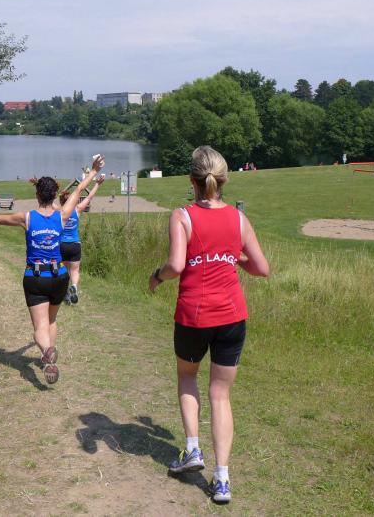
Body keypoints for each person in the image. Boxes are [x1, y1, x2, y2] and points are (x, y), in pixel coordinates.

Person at [148, 146, 269, 503]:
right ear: (223, 180)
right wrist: (235, 257)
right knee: (221, 394)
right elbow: (262, 268)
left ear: (192, 181)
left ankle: (192, 449)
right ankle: (222, 479)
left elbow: (176, 265)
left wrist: (156, 276)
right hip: (232, 317)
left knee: (187, 376)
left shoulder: (182, 216)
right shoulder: (239, 219)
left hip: (194, 316)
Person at [0, 156, 106, 385]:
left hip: (36, 278)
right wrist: (94, 171)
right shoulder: (62, 215)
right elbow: (79, 190)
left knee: (39, 328)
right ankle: (48, 359)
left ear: (37, 195)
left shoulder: (27, 217)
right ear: (55, 195)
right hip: (59, 276)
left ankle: (47, 352)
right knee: (51, 321)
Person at [59, 174, 105, 304]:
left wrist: (37, 185)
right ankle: (74, 286)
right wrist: (98, 184)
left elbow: (48, 203)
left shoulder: (59, 212)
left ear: (61, 202)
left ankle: (66, 294)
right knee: (75, 270)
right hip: (75, 244)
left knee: (65, 270)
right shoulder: (77, 210)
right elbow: (89, 197)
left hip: (62, 245)